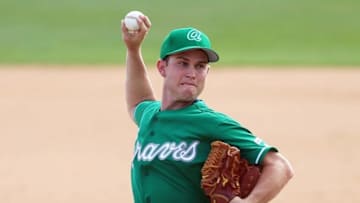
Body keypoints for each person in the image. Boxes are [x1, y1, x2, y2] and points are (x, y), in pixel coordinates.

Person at [121, 14, 294, 203]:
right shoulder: (149, 114)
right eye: (183, 63)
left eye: (200, 66)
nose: (192, 73)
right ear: (162, 68)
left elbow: (280, 165)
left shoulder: (212, 123)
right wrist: (133, 50)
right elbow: (138, 101)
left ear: (207, 72)